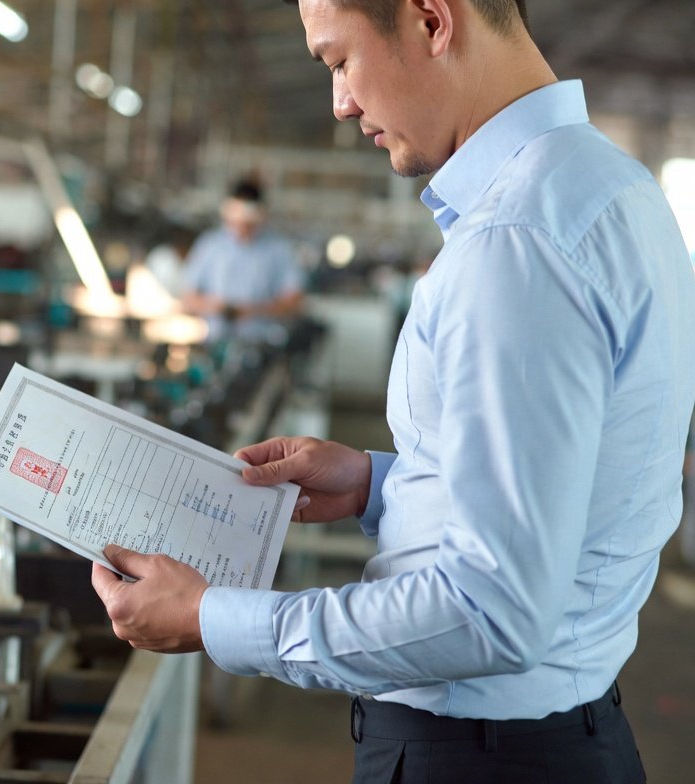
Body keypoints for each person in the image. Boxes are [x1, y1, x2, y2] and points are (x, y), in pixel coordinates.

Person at [90, 1, 695, 781]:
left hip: (482, 760)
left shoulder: (516, 243)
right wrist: (383, 482)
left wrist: (215, 617)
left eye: (341, 61)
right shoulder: (613, 187)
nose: (341, 103)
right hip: (554, 739)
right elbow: (569, 482)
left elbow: (489, 609)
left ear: (432, 21)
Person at [181, 179, 303, 342]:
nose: (243, 227)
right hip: (213, 341)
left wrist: (253, 310)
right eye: (238, 221)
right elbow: (188, 297)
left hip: (262, 343)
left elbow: (294, 302)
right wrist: (216, 307)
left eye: (249, 222)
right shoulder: (210, 245)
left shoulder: (279, 249)